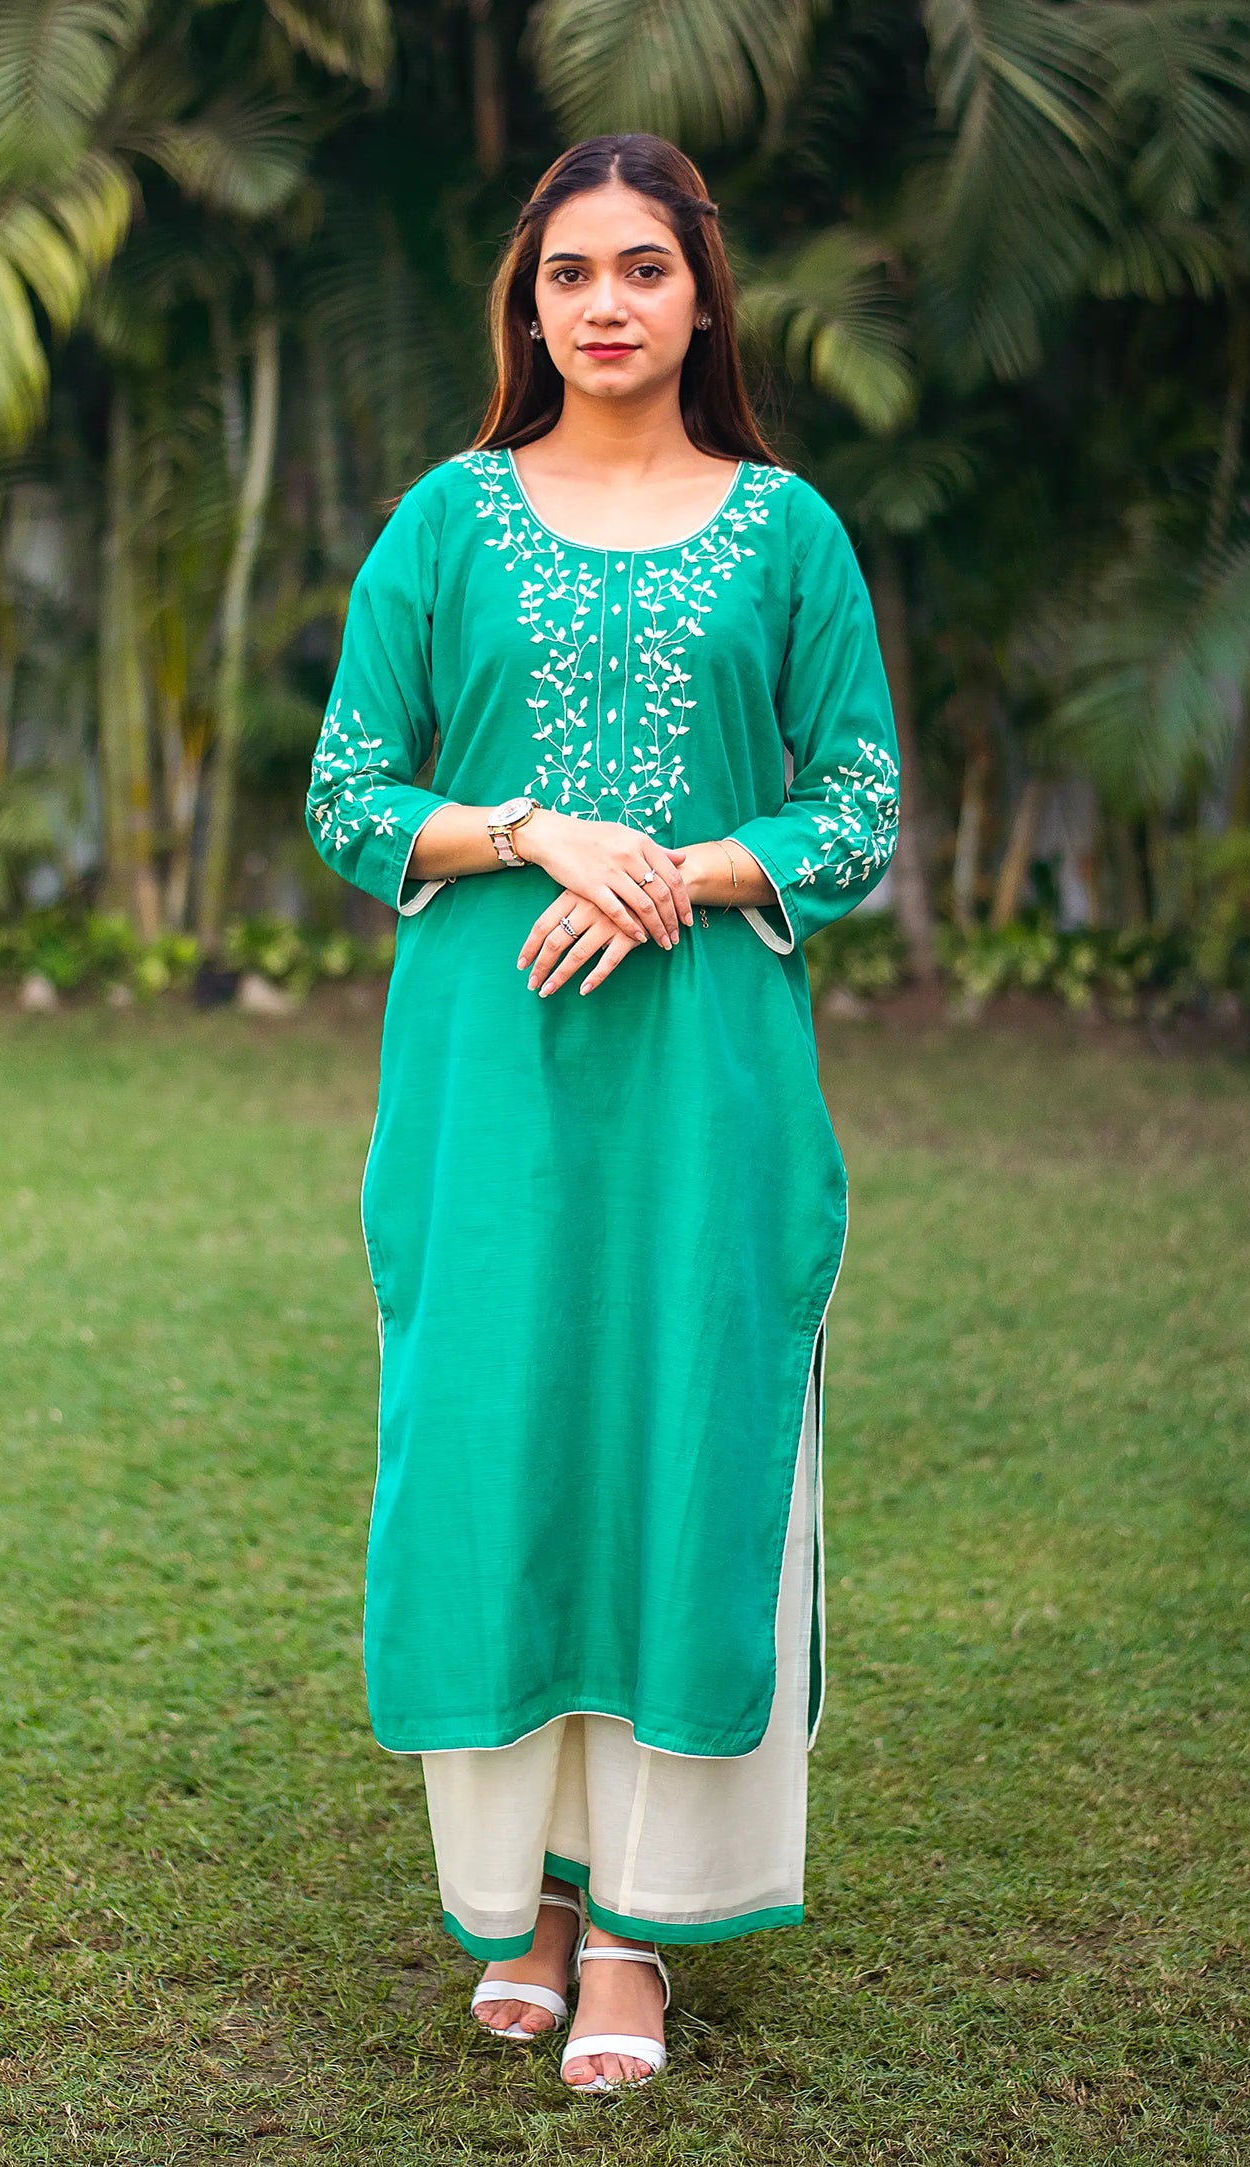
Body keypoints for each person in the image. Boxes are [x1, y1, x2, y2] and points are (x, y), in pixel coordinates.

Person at [305, 132, 899, 2095]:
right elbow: (346, 789)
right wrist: (539, 828)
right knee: (505, 1444)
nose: (613, 302)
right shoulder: (447, 523)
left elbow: (859, 805)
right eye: (575, 272)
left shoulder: (788, 529)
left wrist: (689, 867)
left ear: (704, 295)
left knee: (679, 1438)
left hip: (704, 1080)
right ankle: (523, 1906)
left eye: (647, 267)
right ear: (531, 304)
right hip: (492, 1077)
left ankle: (638, 1926)